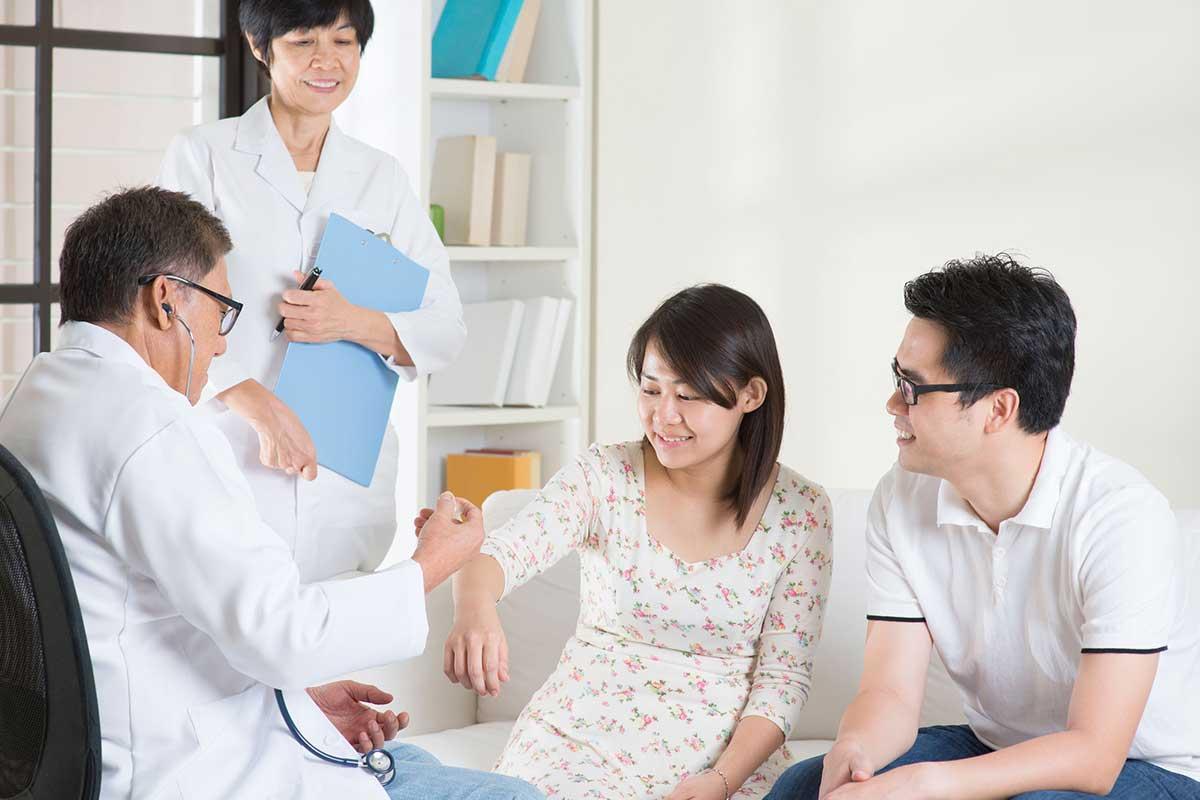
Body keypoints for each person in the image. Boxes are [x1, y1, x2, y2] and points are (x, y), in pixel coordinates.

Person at [0, 186, 540, 800]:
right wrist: (434, 561)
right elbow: (285, 635)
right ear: (166, 301)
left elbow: (134, 620)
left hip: (144, 740)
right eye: (222, 311)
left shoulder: (38, 397)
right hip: (194, 773)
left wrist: (291, 703)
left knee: (412, 762)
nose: (225, 343)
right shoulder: (153, 430)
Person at [767, 254, 1200, 800]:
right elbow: (890, 693)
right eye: (896, 378)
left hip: (1145, 765)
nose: (891, 404)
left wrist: (921, 784)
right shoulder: (901, 499)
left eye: (912, 388)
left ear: (998, 409)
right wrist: (855, 755)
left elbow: (1094, 756)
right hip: (995, 744)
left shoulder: (1120, 518)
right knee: (804, 784)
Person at [428, 285, 835, 799]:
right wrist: (474, 606)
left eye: (688, 395)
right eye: (650, 389)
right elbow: (498, 555)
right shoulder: (603, 477)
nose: (664, 415)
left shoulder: (800, 512)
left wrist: (720, 781)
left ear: (751, 395)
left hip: (726, 761)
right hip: (581, 743)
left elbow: (783, 680)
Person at [157, 0, 464, 581]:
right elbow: (165, 305)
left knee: (334, 649)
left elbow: (445, 325)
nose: (327, 61)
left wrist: (350, 321)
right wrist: (256, 404)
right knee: (227, 637)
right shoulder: (204, 156)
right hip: (230, 445)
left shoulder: (381, 176)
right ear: (259, 46)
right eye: (303, 42)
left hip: (345, 469)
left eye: (343, 42)